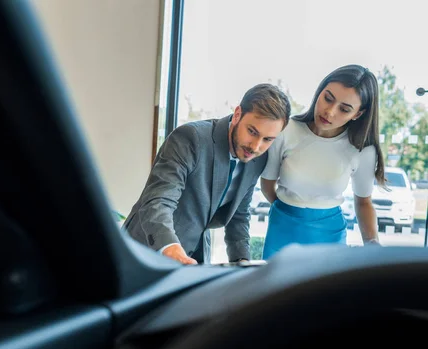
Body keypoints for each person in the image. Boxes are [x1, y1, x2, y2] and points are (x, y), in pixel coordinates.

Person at [122, 83, 291, 264]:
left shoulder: (257, 160)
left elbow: (238, 216)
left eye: (267, 139)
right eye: (252, 131)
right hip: (145, 250)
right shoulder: (190, 138)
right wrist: (170, 248)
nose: (256, 146)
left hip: (194, 256)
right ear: (237, 115)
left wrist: (243, 263)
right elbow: (158, 201)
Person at [260, 64, 384, 259]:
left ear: (357, 114)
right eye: (328, 98)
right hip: (281, 230)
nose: (330, 112)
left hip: (330, 236)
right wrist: (289, 213)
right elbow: (267, 185)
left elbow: (363, 203)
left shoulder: (362, 150)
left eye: (344, 109)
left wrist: (372, 243)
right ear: (319, 91)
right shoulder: (287, 129)